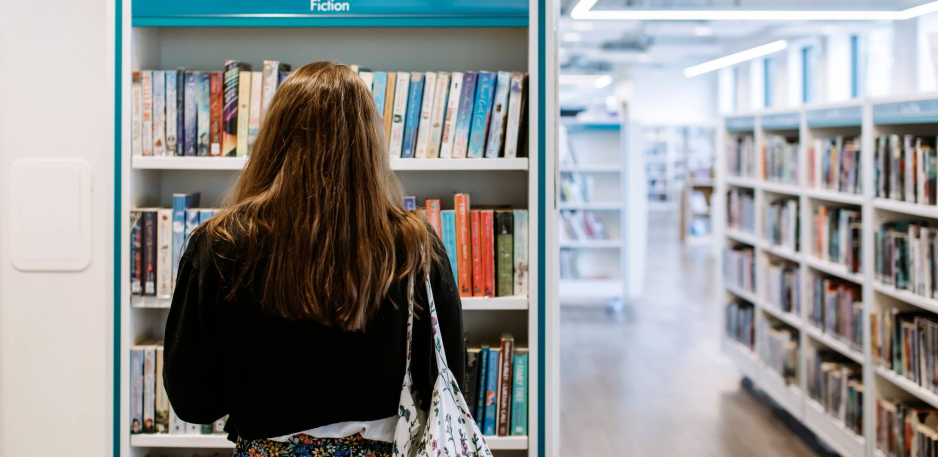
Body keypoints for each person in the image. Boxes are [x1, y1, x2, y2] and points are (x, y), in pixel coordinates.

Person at [163, 61, 465, 457]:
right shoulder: (413, 246)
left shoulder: (218, 245)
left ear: (274, 138)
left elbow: (192, 401)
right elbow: (447, 380)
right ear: (369, 145)